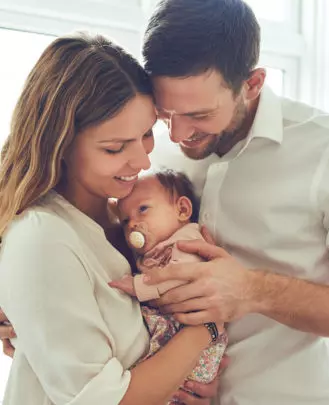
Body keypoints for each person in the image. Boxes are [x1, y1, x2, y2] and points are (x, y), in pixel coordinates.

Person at [124, 0, 329, 404]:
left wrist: (255, 290)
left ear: (252, 84)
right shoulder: (153, 156)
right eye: (166, 113)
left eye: (198, 114)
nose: (178, 134)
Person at [0, 32, 223, 405]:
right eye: (115, 148)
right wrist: (207, 328)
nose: (142, 161)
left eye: (147, 134)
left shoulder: (126, 215)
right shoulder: (44, 238)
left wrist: (191, 380)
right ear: (60, 144)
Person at [110, 170, 228, 404]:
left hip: (194, 337)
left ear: (182, 210)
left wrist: (137, 286)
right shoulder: (152, 250)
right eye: (125, 220)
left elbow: (177, 277)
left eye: (143, 209)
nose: (132, 223)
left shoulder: (187, 240)